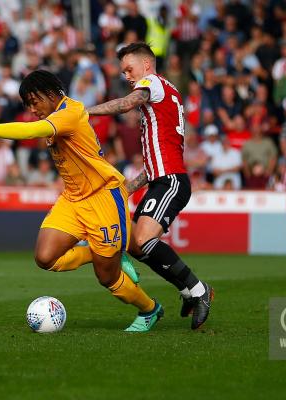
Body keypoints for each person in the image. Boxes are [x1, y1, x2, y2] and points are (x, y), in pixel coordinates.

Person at [0, 70, 162, 332]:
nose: (32, 109)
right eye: (27, 105)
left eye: (34, 101)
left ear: (50, 94)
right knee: (46, 257)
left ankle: (150, 309)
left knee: (106, 276)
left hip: (103, 197)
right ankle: (102, 253)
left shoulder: (69, 112)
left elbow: (30, 131)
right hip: (73, 199)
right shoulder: (55, 115)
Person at [86, 43, 213, 330]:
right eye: (123, 72)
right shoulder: (165, 96)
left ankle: (199, 290)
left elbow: (125, 103)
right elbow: (159, 157)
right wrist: (128, 188)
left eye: (129, 69)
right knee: (136, 244)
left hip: (170, 182)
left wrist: (85, 112)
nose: (127, 76)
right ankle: (188, 291)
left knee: (142, 241)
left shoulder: (151, 83)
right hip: (161, 180)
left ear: (146, 65)